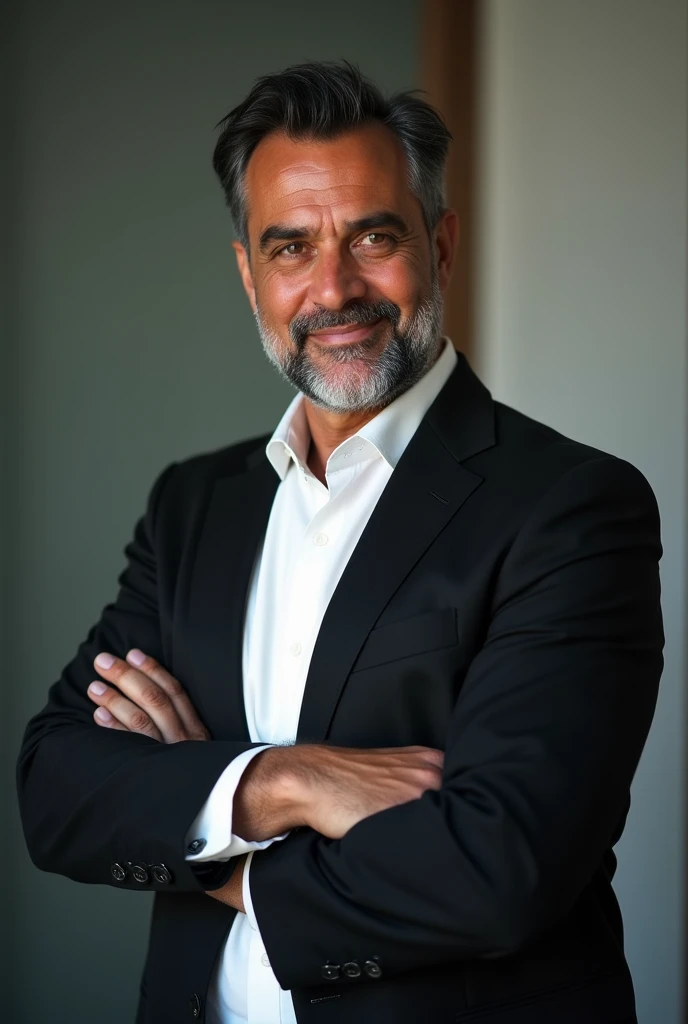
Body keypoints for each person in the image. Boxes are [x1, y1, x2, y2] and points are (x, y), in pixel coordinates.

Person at [17, 61, 663, 1024]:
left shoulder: (571, 505)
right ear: (249, 273)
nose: (334, 287)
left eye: (373, 235)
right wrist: (283, 780)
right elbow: (59, 792)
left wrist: (212, 838)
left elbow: (499, 867)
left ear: (440, 243)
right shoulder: (195, 505)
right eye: (290, 248)